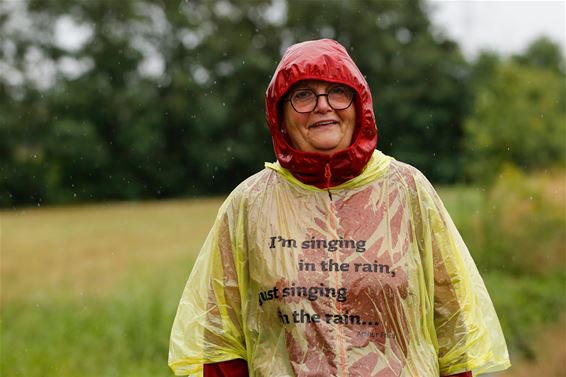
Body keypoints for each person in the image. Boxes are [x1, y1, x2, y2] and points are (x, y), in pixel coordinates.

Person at [169, 39, 510, 377]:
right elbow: (220, 338)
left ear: (359, 105)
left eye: (337, 91)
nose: (322, 106)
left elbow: (454, 323)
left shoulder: (408, 190)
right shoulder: (248, 204)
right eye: (303, 95)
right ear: (280, 116)